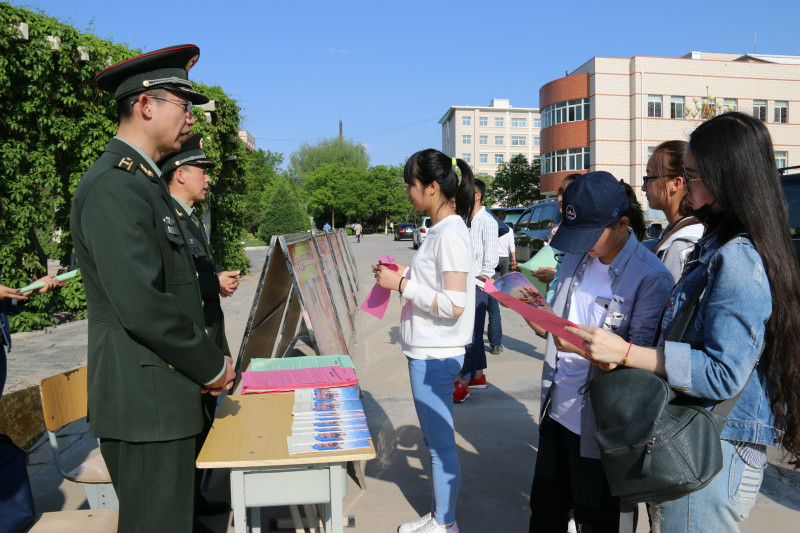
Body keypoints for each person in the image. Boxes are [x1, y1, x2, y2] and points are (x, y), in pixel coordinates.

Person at [569, 112, 800, 533]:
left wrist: (628, 352)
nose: (685, 186)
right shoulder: (717, 245)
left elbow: (723, 373)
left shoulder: (739, 258)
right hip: (700, 445)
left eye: (692, 176)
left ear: (725, 178)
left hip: (711, 452)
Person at [69, 44, 235, 533]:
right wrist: (211, 365)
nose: (190, 118)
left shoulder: (144, 184)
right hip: (145, 405)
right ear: (146, 105)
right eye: (184, 105)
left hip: (164, 398)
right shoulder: (115, 187)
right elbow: (143, 304)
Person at [525, 171, 673, 533]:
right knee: (544, 513)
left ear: (622, 224)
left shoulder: (650, 278)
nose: (583, 245)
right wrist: (532, 312)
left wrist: (583, 348)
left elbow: (638, 368)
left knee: (599, 521)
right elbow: (556, 320)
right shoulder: (577, 256)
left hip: (602, 430)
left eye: (591, 235)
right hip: (556, 411)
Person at [372, 149, 475, 533]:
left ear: (432, 187)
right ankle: (438, 515)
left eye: (410, 184)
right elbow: (433, 282)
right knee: (436, 443)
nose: (407, 191)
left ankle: (445, 523)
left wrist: (401, 284)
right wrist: (399, 274)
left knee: (439, 446)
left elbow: (454, 304)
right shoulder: (441, 231)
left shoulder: (451, 235)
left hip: (436, 354)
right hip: (429, 351)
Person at [159, 133, 239, 523]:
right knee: (191, 432)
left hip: (209, 335)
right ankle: (189, 513)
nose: (208, 179)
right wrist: (213, 282)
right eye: (201, 171)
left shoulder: (189, 219)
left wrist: (215, 281)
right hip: (190, 341)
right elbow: (174, 283)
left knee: (205, 423)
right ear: (179, 173)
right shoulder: (167, 219)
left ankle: (198, 499)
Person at [453, 178, 497, 402]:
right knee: (474, 332)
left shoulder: (487, 221)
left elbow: (490, 262)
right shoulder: (465, 219)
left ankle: (464, 380)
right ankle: (478, 376)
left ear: (477, 196)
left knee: (471, 334)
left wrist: (478, 285)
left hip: (478, 285)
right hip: (466, 284)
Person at [644, 140, 705, 282]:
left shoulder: (683, 244)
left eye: (649, 178)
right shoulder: (676, 233)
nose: (643, 187)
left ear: (676, 183)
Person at [532, 173, 580, 304]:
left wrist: (556, 275)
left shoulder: (586, 235)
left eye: (567, 193)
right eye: (560, 193)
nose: (560, 199)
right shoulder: (559, 230)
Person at [486, 209, 515, 354]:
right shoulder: (487, 216)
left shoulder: (465, 219)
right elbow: (505, 230)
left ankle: (492, 343)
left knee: (489, 309)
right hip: (491, 269)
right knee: (493, 309)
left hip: (484, 271)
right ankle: (496, 344)